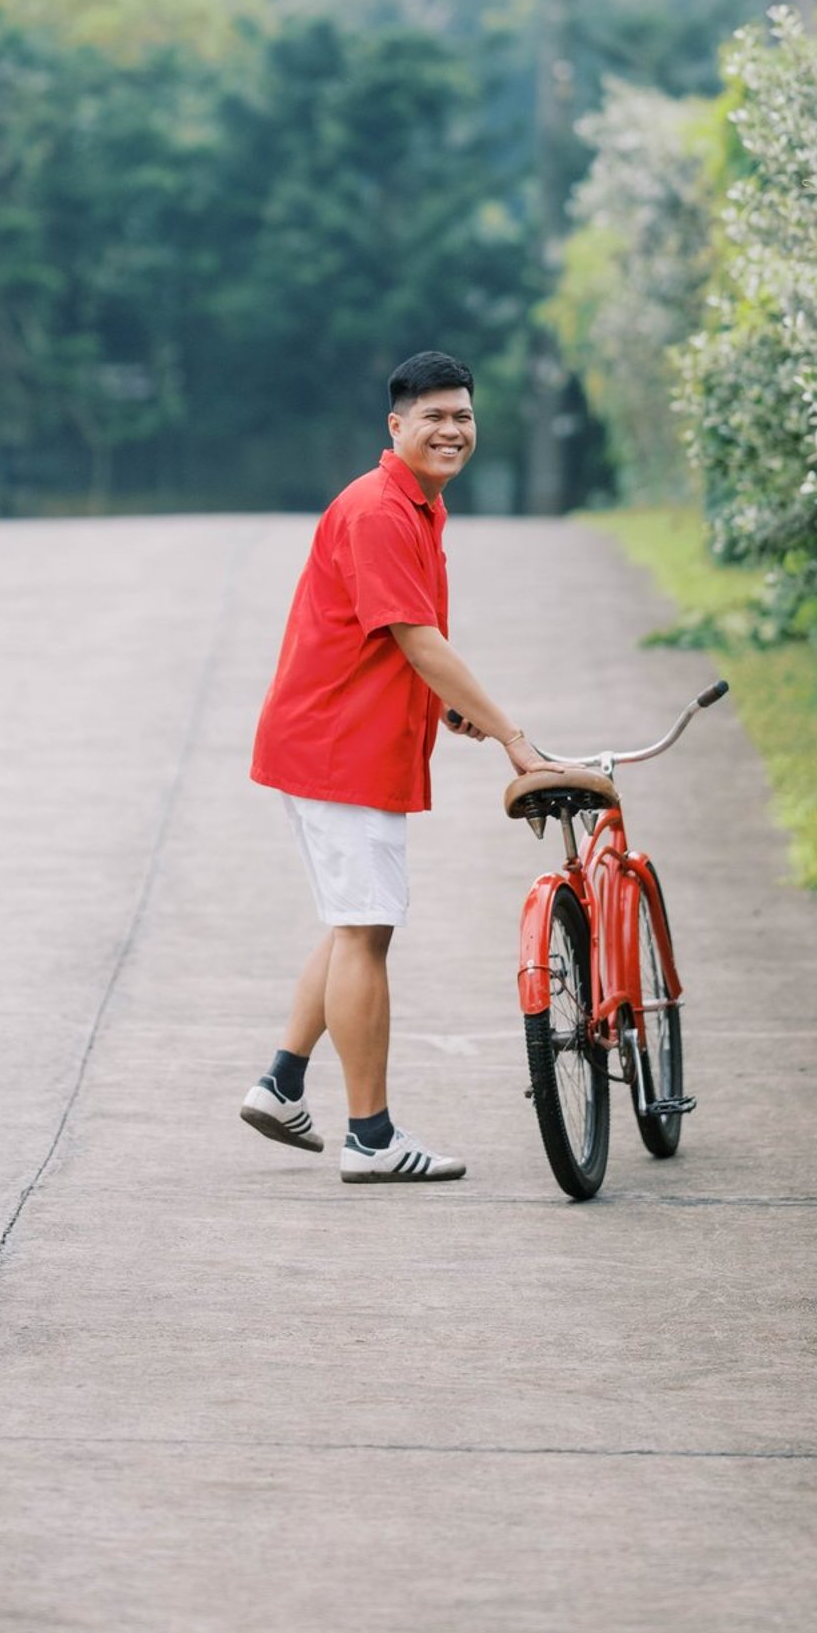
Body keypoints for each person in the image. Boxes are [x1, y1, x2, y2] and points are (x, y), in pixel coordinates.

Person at [241, 351, 541, 1182]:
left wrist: (448, 705)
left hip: (340, 743)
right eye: (434, 417)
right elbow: (418, 640)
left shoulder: (416, 505)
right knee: (367, 932)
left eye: (463, 417)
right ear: (395, 426)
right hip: (340, 748)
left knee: (355, 925)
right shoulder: (380, 510)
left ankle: (281, 1083)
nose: (452, 431)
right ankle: (370, 1139)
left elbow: (397, 637)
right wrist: (511, 735)